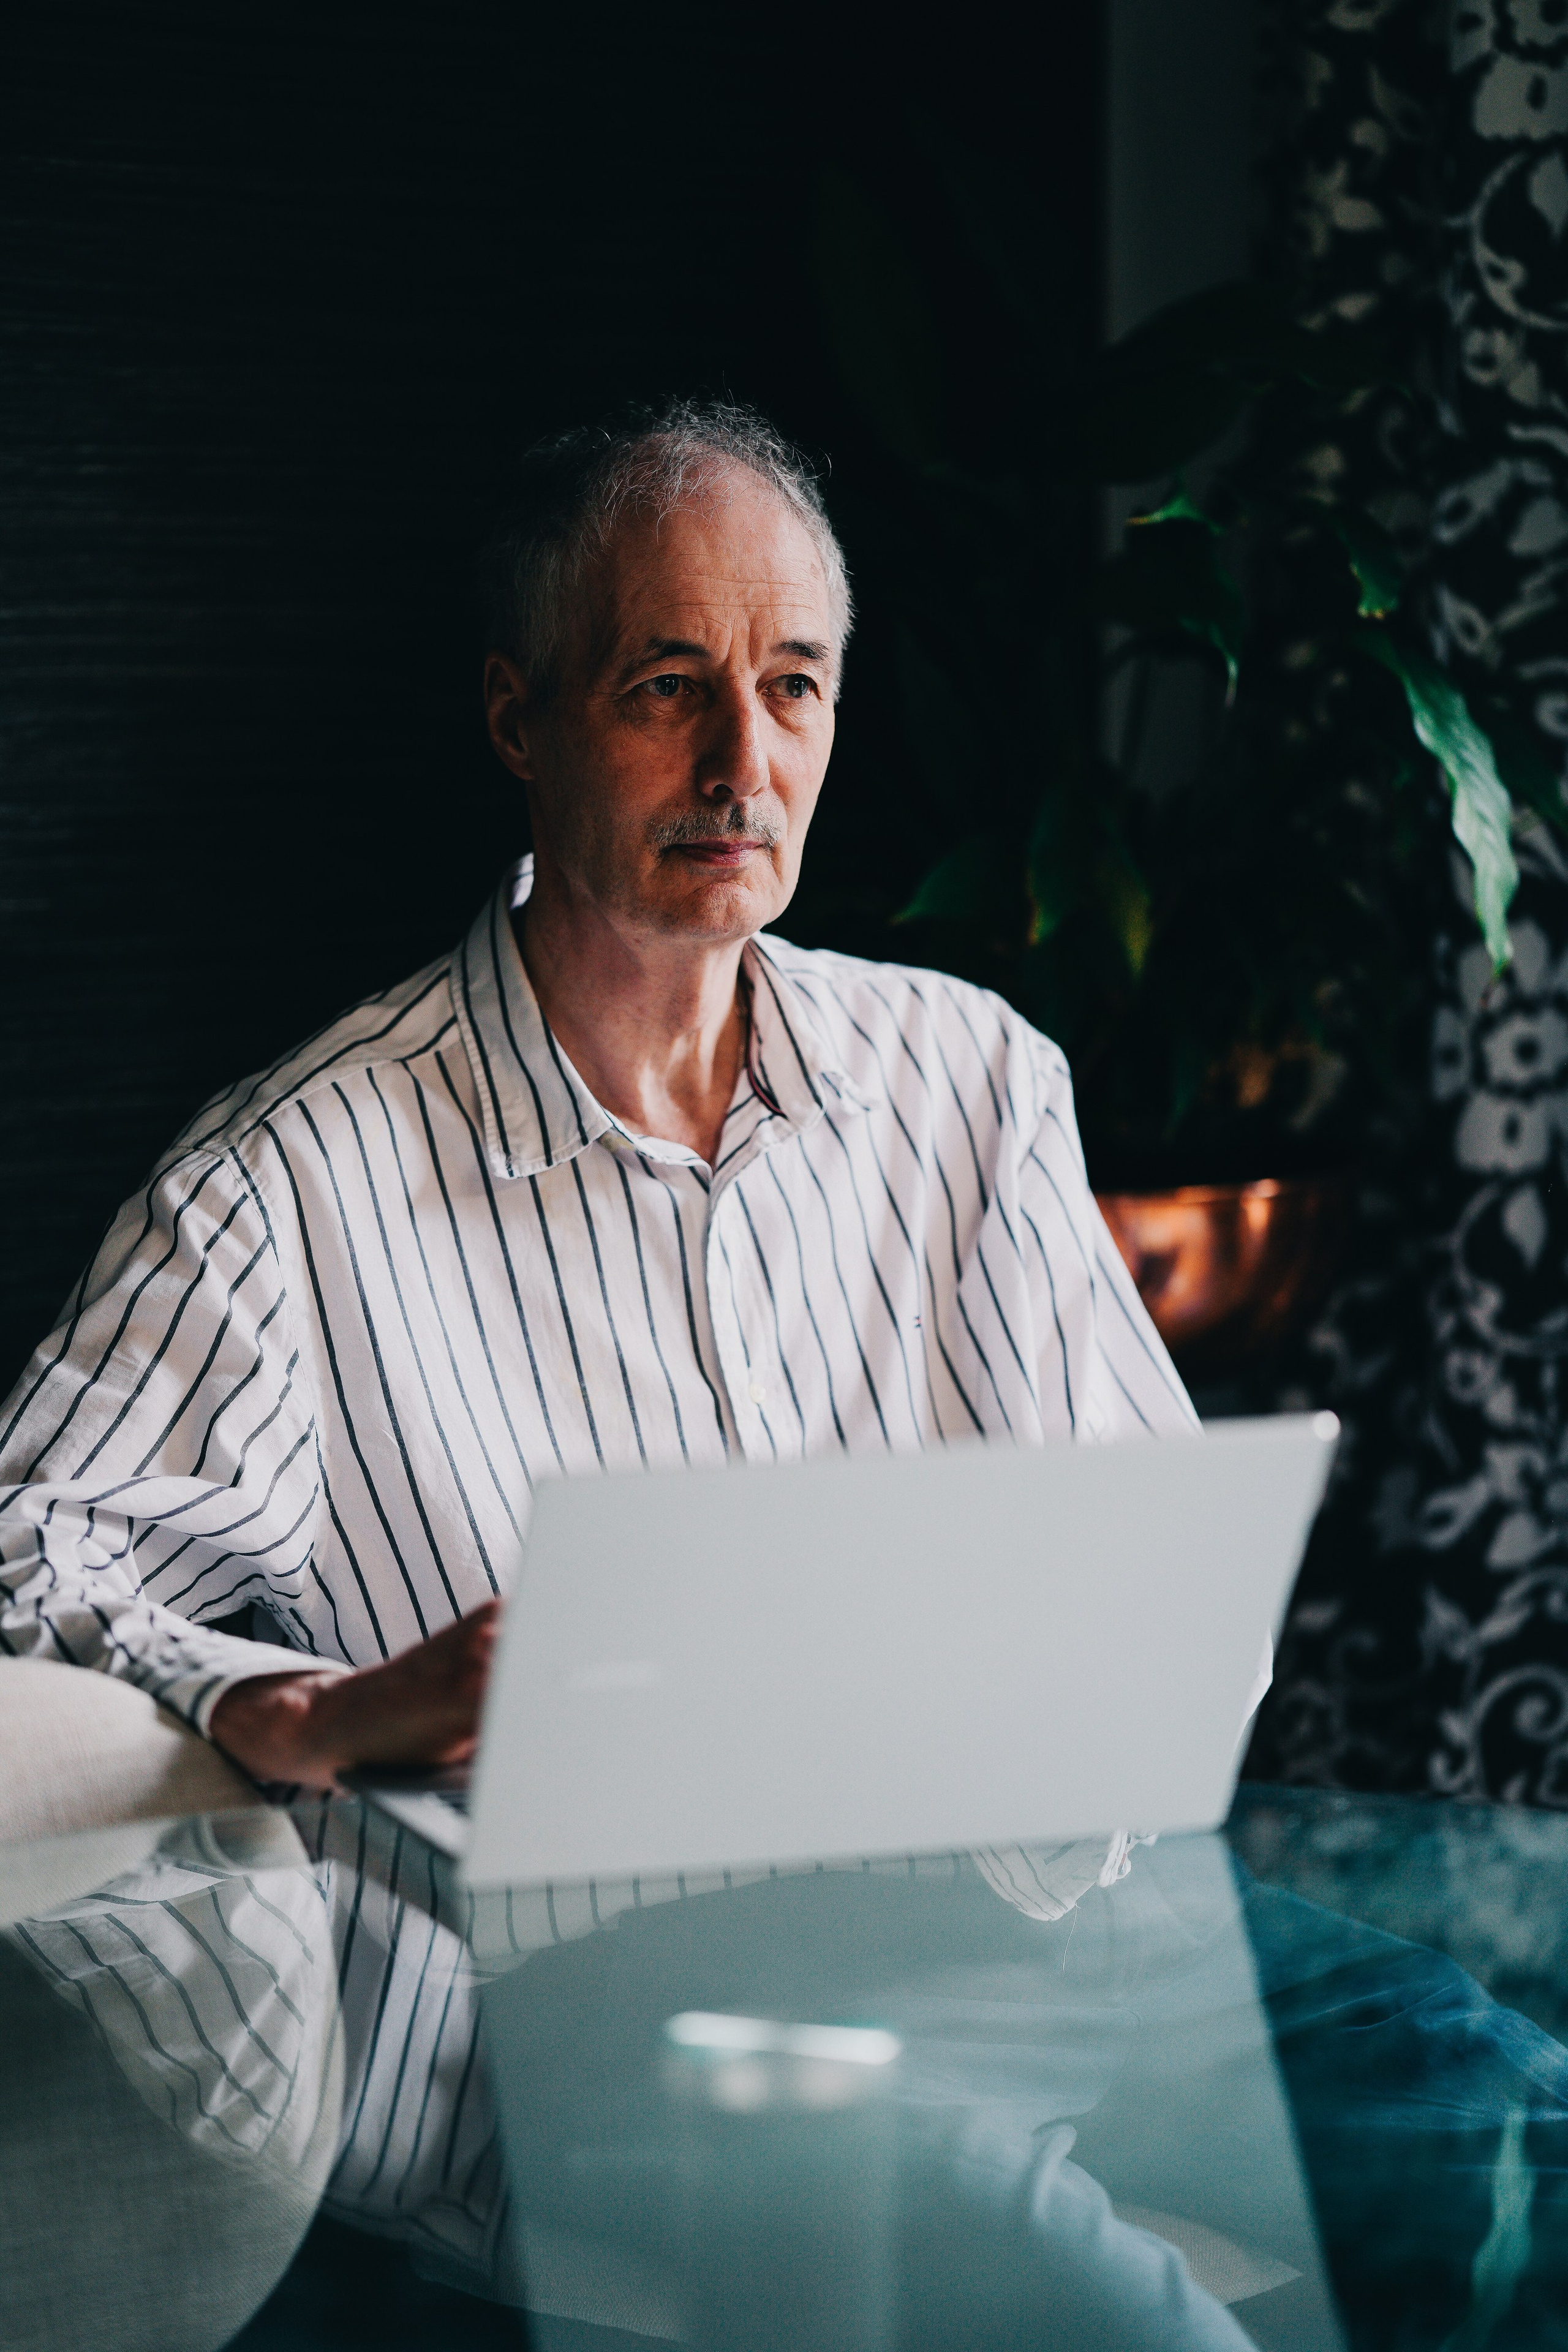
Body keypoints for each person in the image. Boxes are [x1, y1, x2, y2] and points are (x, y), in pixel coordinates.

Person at [0, 399, 1196, 1785]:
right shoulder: (282, 1190)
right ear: (519, 719)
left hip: (983, 1963)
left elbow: (1153, 1575)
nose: (742, 768)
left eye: (792, 686)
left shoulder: (978, 1081)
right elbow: (29, 1555)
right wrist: (304, 1713)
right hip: (518, 1992)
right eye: (667, 686)